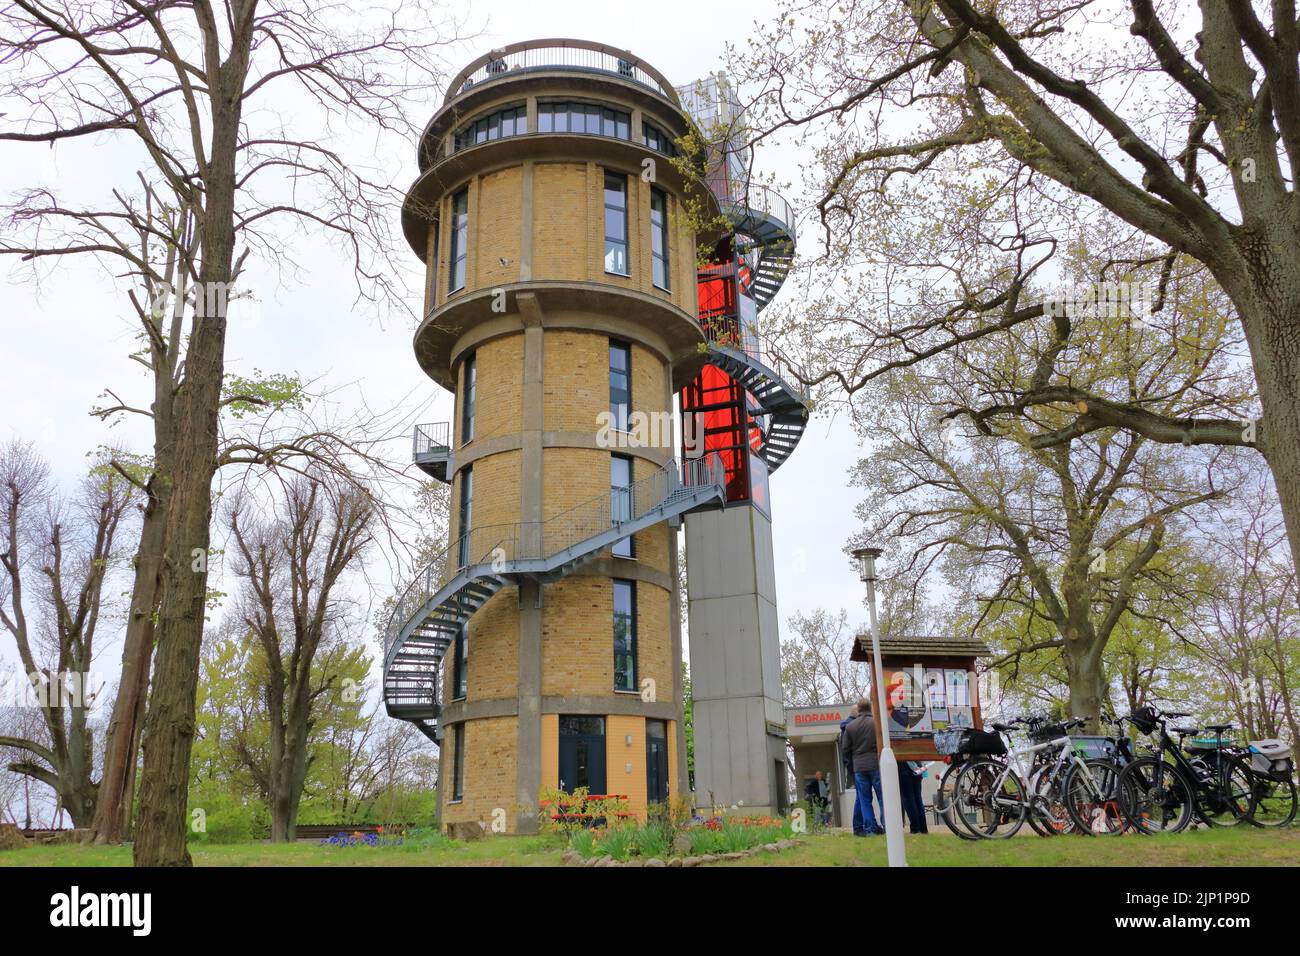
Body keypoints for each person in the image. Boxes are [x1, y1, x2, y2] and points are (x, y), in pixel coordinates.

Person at [841, 697, 885, 835]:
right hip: (875, 765)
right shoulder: (876, 723)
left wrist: (852, 766)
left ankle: (870, 829)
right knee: (882, 797)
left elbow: (845, 749)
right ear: (870, 708)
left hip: (859, 768)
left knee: (865, 800)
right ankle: (887, 826)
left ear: (859, 710)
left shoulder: (850, 727)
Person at [897, 760, 928, 834]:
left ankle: (915, 828)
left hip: (905, 766)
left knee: (908, 799)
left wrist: (913, 766)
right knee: (918, 798)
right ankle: (923, 828)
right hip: (918, 766)